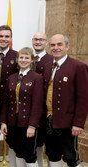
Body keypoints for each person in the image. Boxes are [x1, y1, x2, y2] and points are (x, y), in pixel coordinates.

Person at [42, 34, 88, 167]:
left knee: (71, 157)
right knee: (52, 154)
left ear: (67, 46)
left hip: (68, 123)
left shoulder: (78, 67)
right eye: (53, 45)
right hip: (49, 120)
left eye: (59, 44)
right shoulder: (47, 66)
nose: (56, 48)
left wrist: (78, 123)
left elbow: (83, 97)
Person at [0, 47, 44, 167]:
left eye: (26, 58)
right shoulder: (12, 78)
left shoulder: (37, 78)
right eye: (21, 57)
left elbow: (37, 105)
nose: (23, 60)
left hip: (28, 124)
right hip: (13, 123)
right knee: (18, 152)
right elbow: (6, 103)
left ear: (31, 60)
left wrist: (32, 125)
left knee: (29, 155)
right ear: (17, 59)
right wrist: (3, 122)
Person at [0, 25, 18, 167]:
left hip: (11, 105)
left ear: (11, 39)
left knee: (12, 138)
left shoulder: (18, 57)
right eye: (1, 36)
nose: (3, 39)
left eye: (7, 36)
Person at [32, 32, 53, 167]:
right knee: (36, 143)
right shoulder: (27, 58)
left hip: (47, 110)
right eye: (35, 39)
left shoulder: (51, 60)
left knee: (51, 145)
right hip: (32, 110)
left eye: (41, 40)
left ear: (46, 43)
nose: (38, 42)